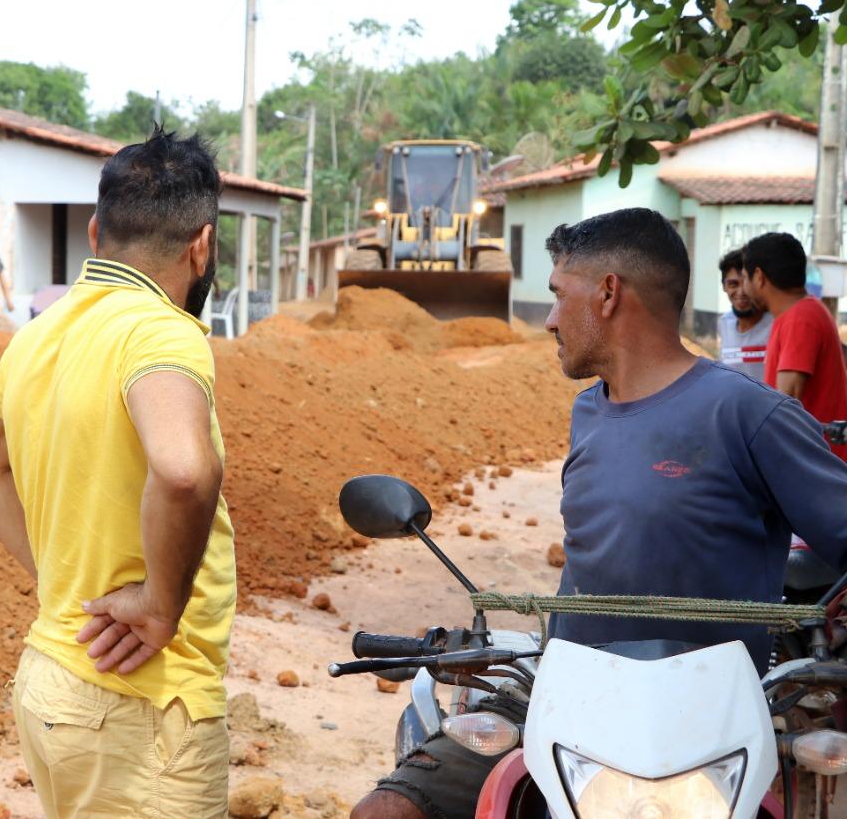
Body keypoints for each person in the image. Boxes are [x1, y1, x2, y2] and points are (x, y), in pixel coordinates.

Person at [351, 208, 847, 819]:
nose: (550, 318)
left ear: (609, 293)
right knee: (385, 813)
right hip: (567, 694)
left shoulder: (750, 414)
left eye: (559, 295)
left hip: (708, 723)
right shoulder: (589, 411)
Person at [0, 130, 234, 818]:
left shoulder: (38, 335)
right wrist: (161, 605)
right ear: (201, 245)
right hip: (141, 701)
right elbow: (181, 472)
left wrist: (55, 575)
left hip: (53, 677)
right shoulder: (162, 331)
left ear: (94, 231)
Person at [742, 232, 847, 463]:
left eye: (744, 278)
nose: (743, 289)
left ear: (759, 277)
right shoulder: (799, 314)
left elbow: (782, 405)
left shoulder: (800, 318)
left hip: (817, 468)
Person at [716, 248, 773, 382]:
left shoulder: (776, 323)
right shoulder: (724, 323)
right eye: (733, 284)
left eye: (747, 283)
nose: (741, 292)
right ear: (724, 286)